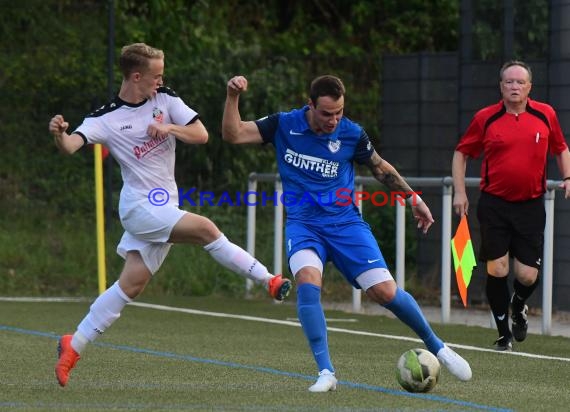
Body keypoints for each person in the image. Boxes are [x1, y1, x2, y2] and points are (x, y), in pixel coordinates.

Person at [48, 43, 291, 387]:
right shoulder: (106, 118)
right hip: (139, 207)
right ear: (136, 76)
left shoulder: (165, 99)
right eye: (155, 76)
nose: (161, 80)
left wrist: (170, 129)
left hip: (165, 204)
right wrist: (60, 135)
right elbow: (72, 145)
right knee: (206, 229)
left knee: (131, 284)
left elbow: (202, 134)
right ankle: (268, 279)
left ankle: (75, 344)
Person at [222, 74, 472, 392]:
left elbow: (380, 168)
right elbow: (233, 134)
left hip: (346, 226)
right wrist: (232, 97)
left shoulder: (351, 133)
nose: (334, 120)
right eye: (327, 113)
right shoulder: (283, 124)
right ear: (310, 104)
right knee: (308, 284)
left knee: (385, 292)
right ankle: (326, 372)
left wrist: (413, 198)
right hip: (304, 225)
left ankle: (438, 347)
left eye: (339, 112)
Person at [452, 60, 570, 351]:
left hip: (530, 205)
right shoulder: (485, 118)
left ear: (530, 86)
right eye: (509, 82)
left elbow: (561, 148)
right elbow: (461, 153)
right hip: (494, 205)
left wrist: (567, 176)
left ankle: (518, 306)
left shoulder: (545, 114)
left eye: (520, 82)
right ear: (501, 86)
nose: (514, 87)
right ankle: (504, 334)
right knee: (497, 269)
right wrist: (459, 192)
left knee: (527, 275)